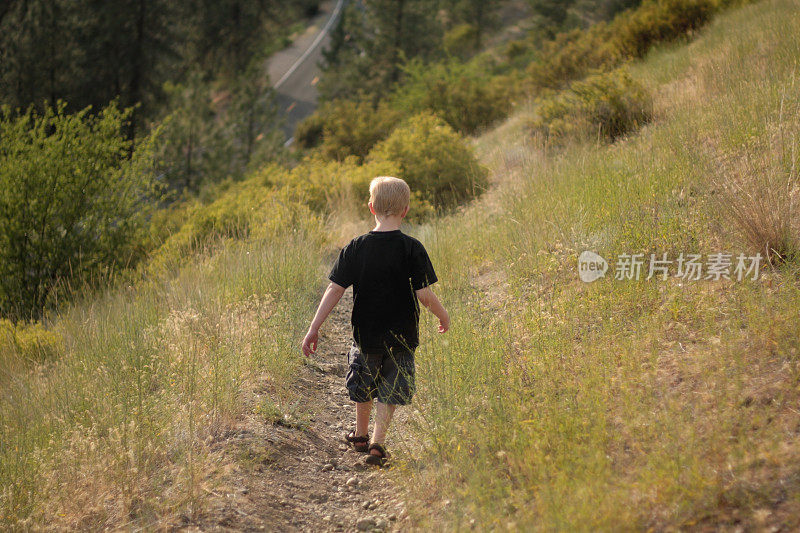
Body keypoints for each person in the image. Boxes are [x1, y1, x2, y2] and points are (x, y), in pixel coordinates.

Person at [301, 176, 450, 466]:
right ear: (405, 210)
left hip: (365, 335)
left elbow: (334, 289)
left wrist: (314, 327)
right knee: (390, 389)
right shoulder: (412, 248)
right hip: (402, 337)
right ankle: (377, 443)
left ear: (371, 207)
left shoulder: (356, 247)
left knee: (363, 384)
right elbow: (425, 295)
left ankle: (359, 434)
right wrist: (442, 315)